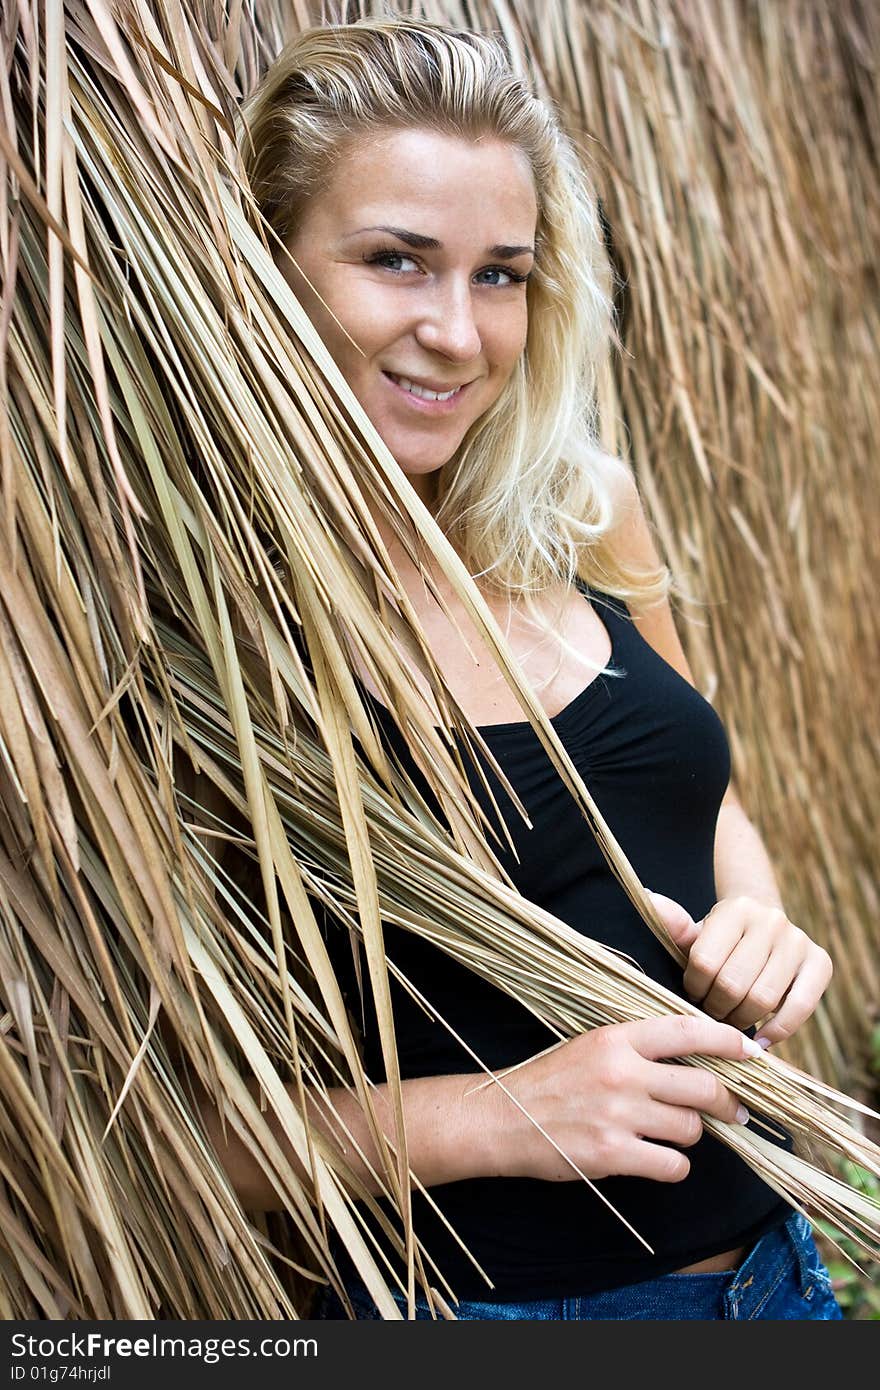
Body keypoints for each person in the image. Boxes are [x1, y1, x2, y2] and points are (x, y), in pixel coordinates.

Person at [225, 15, 841, 1319]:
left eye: (499, 274)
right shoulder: (213, 632)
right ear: (269, 267)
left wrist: (759, 926)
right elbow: (148, 1126)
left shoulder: (580, 509)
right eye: (398, 260)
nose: (457, 332)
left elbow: (701, 796)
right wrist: (498, 1115)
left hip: (772, 1280)